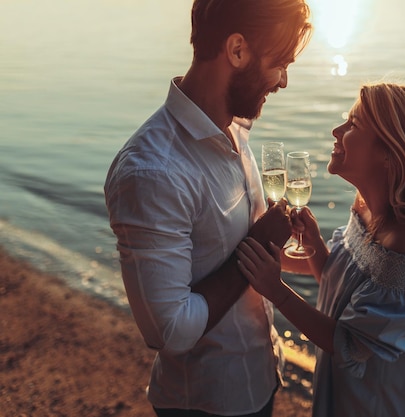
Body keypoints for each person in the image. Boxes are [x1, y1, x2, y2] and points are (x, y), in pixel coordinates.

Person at [103, 1, 312, 416]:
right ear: (237, 50)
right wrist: (257, 244)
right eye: (281, 63)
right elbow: (171, 330)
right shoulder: (153, 171)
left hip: (260, 378)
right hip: (207, 403)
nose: (283, 81)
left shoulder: (232, 128)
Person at [236, 83, 405, 417]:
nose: (336, 131)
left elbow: (350, 343)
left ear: (390, 153)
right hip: (348, 394)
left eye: (353, 125)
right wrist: (315, 247)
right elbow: (341, 291)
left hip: (380, 404)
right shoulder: (366, 209)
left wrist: (275, 291)